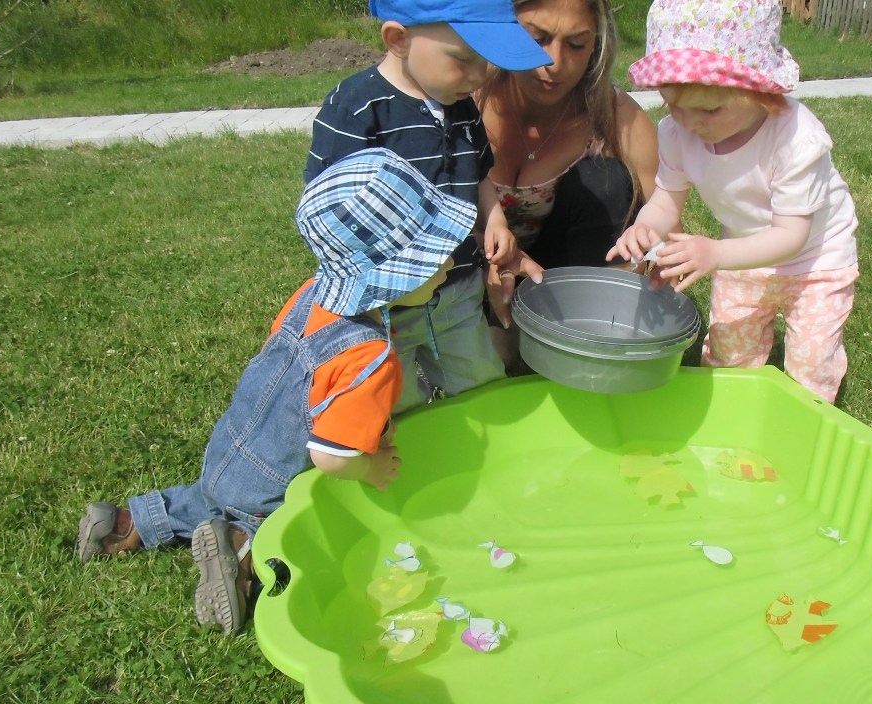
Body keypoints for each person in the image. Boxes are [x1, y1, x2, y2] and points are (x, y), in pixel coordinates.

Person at [77, 148, 477, 635]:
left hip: (230, 445)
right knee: (288, 531)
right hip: (273, 486)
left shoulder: (310, 295)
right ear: (388, 279)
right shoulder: (370, 360)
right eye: (433, 259)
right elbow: (331, 457)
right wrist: (370, 467)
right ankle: (240, 546)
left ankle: (128, 522)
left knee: (208, 495)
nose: (449, 263)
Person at [304, 0, 553, 411]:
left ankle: (482, 439)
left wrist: (495, 220)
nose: (478, 76)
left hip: (458, 288)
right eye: (464, 59)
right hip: (388, 303)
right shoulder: (356, 107)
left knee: (480, 384)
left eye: (485, 61)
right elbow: (330, 205)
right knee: (393, 398)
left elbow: (479, 172)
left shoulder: (461, 105)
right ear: (398, 40)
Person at [609, 0, 860, 404]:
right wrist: (644, 226)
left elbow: (791, 235)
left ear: (761, 92)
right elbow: (666, 202)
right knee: (730, 356)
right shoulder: (677, 134)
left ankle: (807, 421)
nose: (690, 121)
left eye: (710, 109)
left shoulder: (796, 139)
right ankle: (733, 415)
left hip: (817, 261)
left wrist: (715, 254)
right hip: (741, 251)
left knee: (812, 363)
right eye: (673, 104)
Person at [475, 0, 661, 365]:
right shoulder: (465, 96)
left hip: (558, 280)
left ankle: (586, 327)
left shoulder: (616, 116)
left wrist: (645, 265)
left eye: (576, 44)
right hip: (465, 270)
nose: (554, 62)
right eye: (536, 39)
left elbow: (666, 228)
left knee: (606, 179)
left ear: (597, 43)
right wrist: (484, 260)